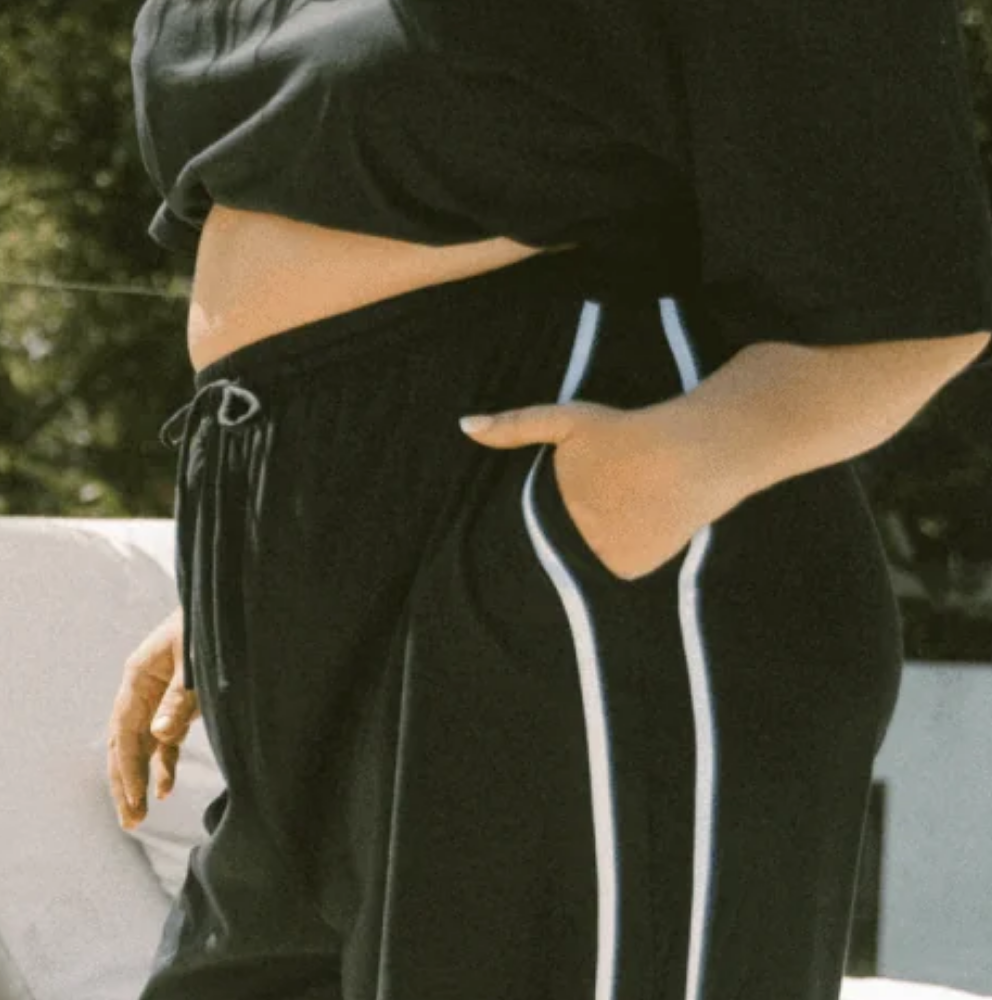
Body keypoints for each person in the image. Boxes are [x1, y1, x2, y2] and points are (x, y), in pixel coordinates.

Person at [107, 0, 992, 997]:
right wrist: (260, 569)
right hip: (304, 576)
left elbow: (911, 266)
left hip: (573, 544)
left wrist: (635, 492)